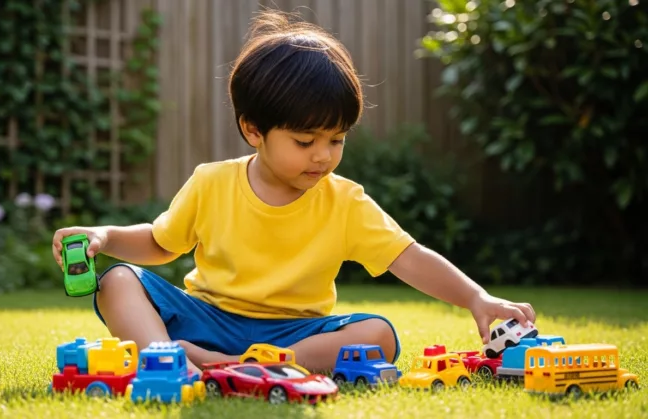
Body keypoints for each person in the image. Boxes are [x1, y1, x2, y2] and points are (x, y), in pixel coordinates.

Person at [51, 9, 535, 375]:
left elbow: (409, 257)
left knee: (379, 336)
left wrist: (476, 298)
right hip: (208, 316)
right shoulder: (211, 181)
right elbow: (161, 243)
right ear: (254, 130)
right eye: (305, 141)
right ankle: (170, 361)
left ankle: (231, 365)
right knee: (118, 282)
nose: (322, 156)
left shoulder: (345, 202)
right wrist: (106, 237)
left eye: (337, 139)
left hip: (294, 333)